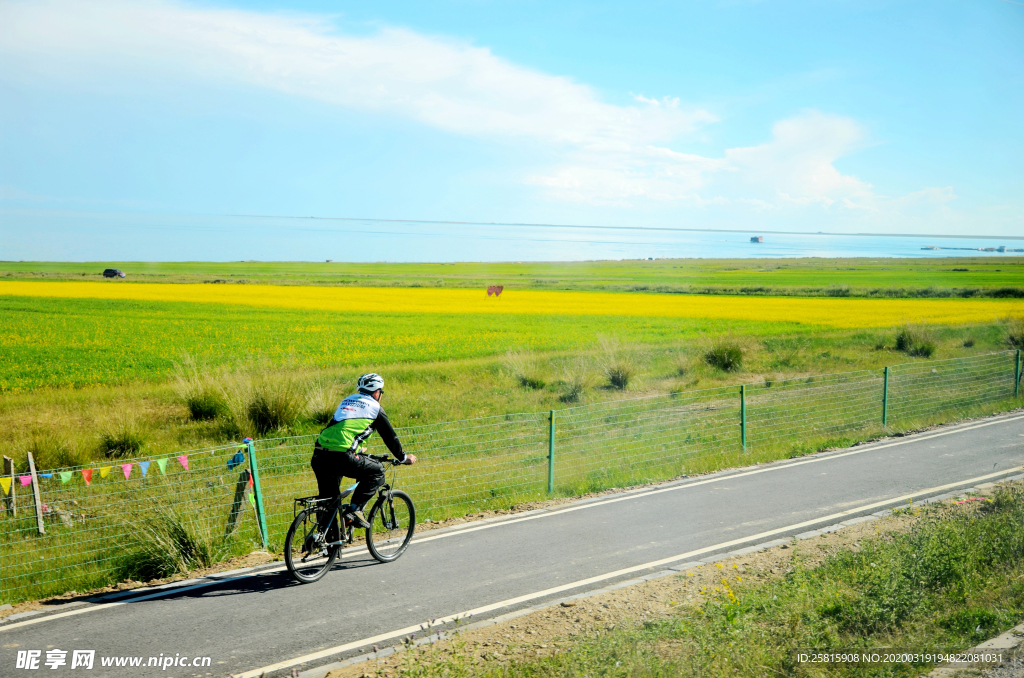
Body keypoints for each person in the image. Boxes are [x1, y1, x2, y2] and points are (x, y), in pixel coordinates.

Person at [312, 373, 417, 532]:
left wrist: (358, 449)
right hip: (342, 456)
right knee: (377, 472)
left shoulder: (346, 400)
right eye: (381, 392)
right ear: (377, 393)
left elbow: (337, 429)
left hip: (319, 454)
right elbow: (390, 437)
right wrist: (403, 457)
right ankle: (355, 510)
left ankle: (324, 540)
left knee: (329, 501)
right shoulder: (375, 408)